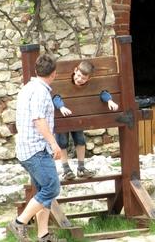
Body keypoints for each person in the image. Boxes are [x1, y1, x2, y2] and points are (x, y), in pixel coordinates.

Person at [9, 54, 62, 242]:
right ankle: (19, 222)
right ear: (54, 74)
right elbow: (39, 120)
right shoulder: (40, 91)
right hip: (36, 149)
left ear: (36, 70)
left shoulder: (28, 87)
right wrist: (54, 143)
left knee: (43, 191)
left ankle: (43, 235)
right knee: (52, 187)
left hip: (26, 149)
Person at [52, 61, 119, 180]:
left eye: (83, 78)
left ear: (89, 79)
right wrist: (61, 107)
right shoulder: (63, 84)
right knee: (62, 143)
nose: (79, 79)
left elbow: (102, 92)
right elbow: (56, 97)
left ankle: (81, 168)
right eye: (78, 76)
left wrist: (109, 100)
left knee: (80, 141)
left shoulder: (90, 86)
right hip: (62, 117)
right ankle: (66, 169)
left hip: (78, 117)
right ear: (75, 70)